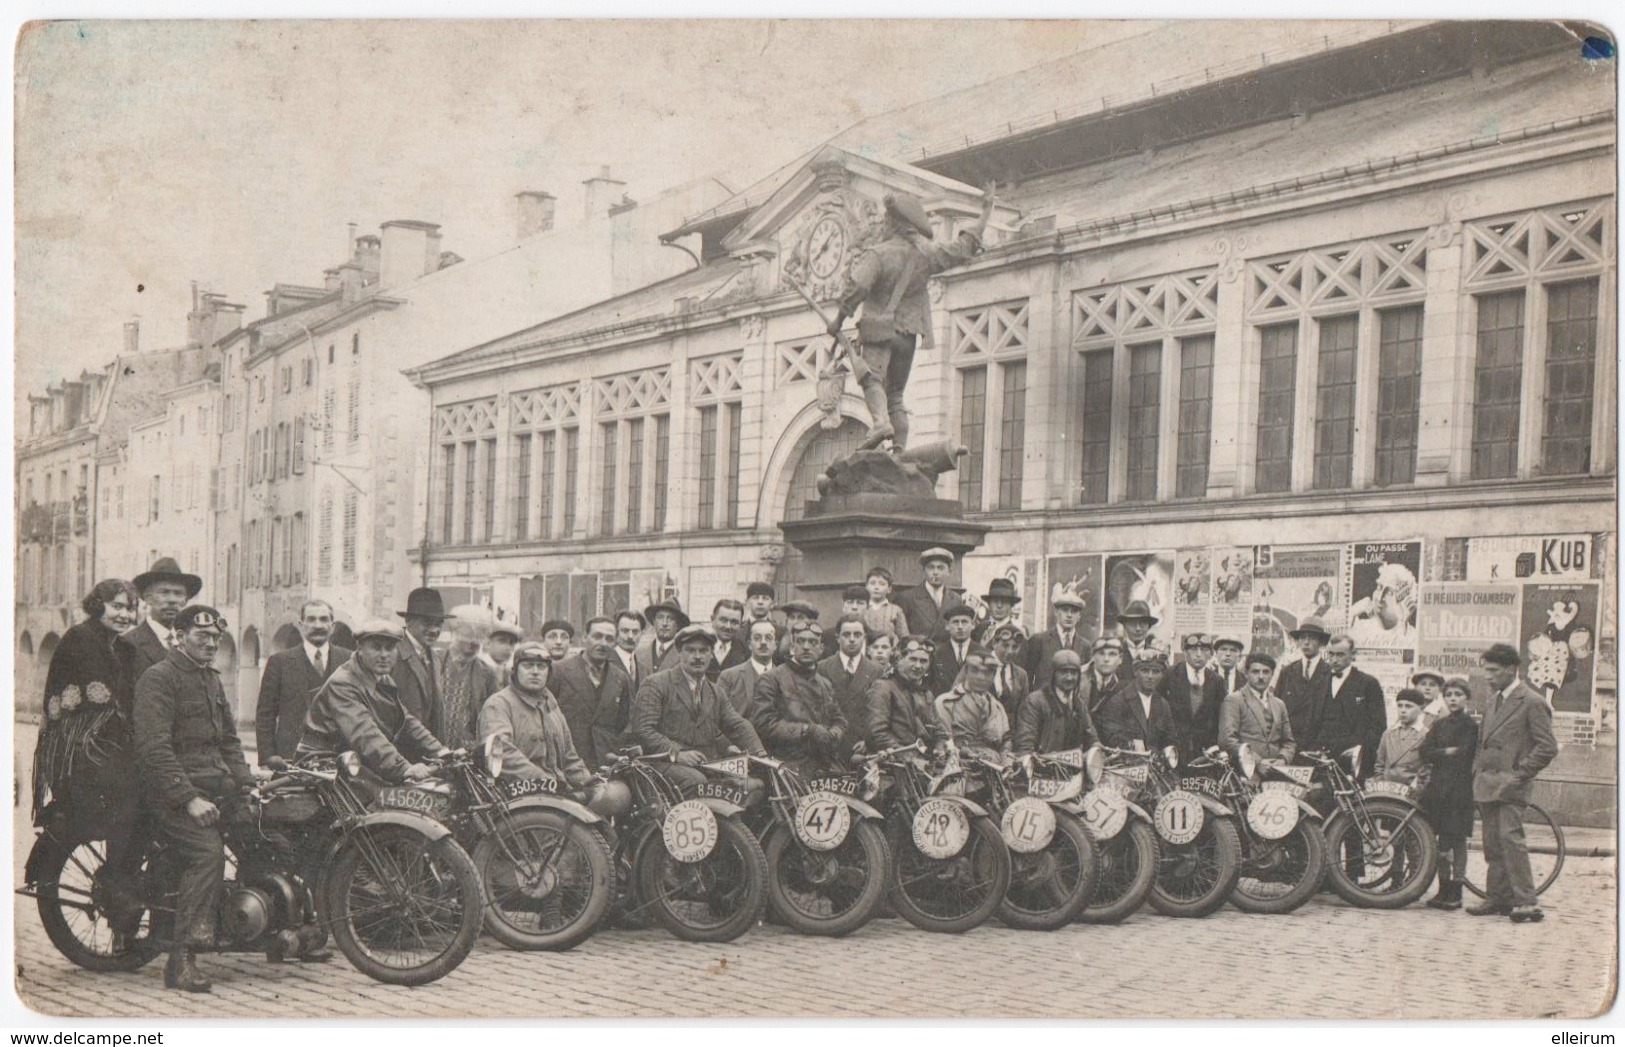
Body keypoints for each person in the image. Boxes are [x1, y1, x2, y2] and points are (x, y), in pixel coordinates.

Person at [132, 605, 254, 992]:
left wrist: (248, 785)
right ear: (179, 636)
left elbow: (230, 741)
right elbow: (154, 748)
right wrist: (188, 799)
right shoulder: (159, 679)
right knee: (207, 854)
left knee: (268, 833)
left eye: (216, 638)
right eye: (202, 637)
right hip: (170, 796)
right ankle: (182, 959)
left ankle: (263, 927)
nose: (210, 644)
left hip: (216, 788)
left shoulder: (211, 680)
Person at [825, 186, 993, 451]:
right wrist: (986, 213)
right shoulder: (927, 254)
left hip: (879, 332)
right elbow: (963, 248)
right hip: (908, 336)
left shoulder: (878, 254)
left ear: (892, 223)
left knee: (870, 379)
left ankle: (880, 423)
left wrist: (838, 320)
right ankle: (900, 452)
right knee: (896, 396)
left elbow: (857, 287)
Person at [29, 578, 145, 950]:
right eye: (117, 607)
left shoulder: (122, 647)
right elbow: (102, 705)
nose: (125, 615)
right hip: (81, 749)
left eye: (130, 608)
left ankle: (125, 882)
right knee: (135, 793)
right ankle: (117, 884)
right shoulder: (81, 639)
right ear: (98, 606)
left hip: (110, 742)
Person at [478, 642, 631, 819]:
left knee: (613, 802)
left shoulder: (550, 704)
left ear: (549, 672)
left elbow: (569, 756)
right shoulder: (499, 704)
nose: (535, 671)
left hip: (556, 795)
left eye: (541, 666)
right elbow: (501, 753)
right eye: (528, 665)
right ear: (515, 670)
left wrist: (588, 781)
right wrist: (547, 783)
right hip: (518, 798)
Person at [1469, 643, 1558, 923]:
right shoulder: (1493, 700)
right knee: (1492, 843)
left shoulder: (1532, 701)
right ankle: (1496, 897)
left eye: (1493, 671)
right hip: (1487, 784)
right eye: (1486, 670)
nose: (1488, 676)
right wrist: (1476, 772)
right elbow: (1482, 742)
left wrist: (1519, 774)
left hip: (1511, 785)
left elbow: (1547, 747)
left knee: (1511, 840)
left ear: (1510, 669)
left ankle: (1526, 901)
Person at [298, 619, 448, 783]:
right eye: (376, 647)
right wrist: (403, 768)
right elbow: (364, 734)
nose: (384, 655)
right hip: (323, 766)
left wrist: (441, 751)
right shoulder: (343, 683)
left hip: (353, 762)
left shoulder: (382, 679)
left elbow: (407, 721)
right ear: (360, 649)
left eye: (390, 648)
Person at [629, 624, 766, 795]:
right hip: (662, 764)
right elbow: (643, 729)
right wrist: (677, 754)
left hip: (702, 765)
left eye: (703, 651)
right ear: (679, 652)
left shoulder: (716, 692)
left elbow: (737, 724)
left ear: (711, 654)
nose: (698, 657)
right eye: (690, 650)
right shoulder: (657, 684)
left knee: (755, 782)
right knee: (697, 782)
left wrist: (760, 753)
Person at [255, 599, 351, 766]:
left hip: (340, 757)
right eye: (311, 619)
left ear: (332, 626)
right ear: (301, 624)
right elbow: (265, 714)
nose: (318, 625)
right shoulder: (280, 662)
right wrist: (268, 755)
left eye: (324, 619)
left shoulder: (349, 660)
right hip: (291, 757)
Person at [751, 623, 851, 777]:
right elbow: (764, 723)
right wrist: (806, 730)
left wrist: (833, 733)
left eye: (812, 643)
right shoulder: (771, 679)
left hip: (824, 763)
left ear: (821, 649)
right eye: (801, 641)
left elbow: (840, 721)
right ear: (792, 647)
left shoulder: (825, 683)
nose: (806, 647)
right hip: (787, 766)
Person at [1422, 676, 1479, 911]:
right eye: (1449, 695)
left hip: (1459, 789)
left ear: (1466, 698)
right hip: (1438, 787)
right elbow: (1424, 752)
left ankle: (1456, 891)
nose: (1453, 699)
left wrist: (1440, 752)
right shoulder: (1440, 724)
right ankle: (1442, 890)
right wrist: (1446, 751)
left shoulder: (1470, 726)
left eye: (1458, 695)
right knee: (1439, 841)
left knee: (1456, 839)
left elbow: (1465, 753)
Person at [549, 616, 635, 770]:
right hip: (567, 761)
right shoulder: (559, 671)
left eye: (609, 639)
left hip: (605, 762)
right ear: (584, 638)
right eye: (597, 637)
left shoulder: (620, 678)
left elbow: (623, 721)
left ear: (615, 643)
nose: (602, 644)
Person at [1310, 634, 1386, 779]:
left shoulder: (1368, 683)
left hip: (1354, 761)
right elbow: (1312, 722)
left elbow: (1378, 726)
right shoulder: (1319, 683)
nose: (1334, 660)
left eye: (1340, 655)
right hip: (1322, 760)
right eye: (1331, 654)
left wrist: (1360, 753)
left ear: (1353, 655)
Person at [118, 556, 202, 687]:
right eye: (164, 593)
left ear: (185, 601)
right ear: (147, 598)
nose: (172, 600)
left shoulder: (192, 645)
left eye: (178, 594)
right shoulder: (127, 644)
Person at [438, 607, 502, 750]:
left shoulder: (487, 673)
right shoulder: (435, 662)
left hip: (467, 754)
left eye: (479, 637)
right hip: (432, 749)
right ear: (456, 633)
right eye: (468, 635)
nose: (474, 642)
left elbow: (493, 716)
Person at [867, 637, 947, 751]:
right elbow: (878, 734)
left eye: (923, 661)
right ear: (899, 660)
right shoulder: (883, 688)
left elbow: (939, 731)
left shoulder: (926, 694)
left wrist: (940, 749)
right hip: (894, 761)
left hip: (925, 760)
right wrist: (908, 756)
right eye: (913, 659)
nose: (918, 666)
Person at [1097, 649, 1181, 753]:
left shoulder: (1162, 704)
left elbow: (1171, 738)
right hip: (1124, 763)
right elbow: (1112, 737)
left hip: (1155, 765)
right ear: (1136, 672)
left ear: (1162, 675)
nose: (1150, 676)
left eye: (1156, 672)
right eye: (1145, 670)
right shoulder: (1119, 701)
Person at [1218, 652, 1296, 764]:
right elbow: (1227, 741)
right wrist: (1257, 762)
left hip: (1277, 771)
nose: (1261, 677)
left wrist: (1283, 759)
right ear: (1246, 674)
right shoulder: (1235, 700)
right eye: (1255, 672)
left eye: (1266, 672)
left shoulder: (1279, 704)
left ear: (1272, 674)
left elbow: (1289, 742)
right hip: (1246, 773)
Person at [934, 648, 1010, 761]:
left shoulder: (998, 708)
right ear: (966, 671)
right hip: (958, 767)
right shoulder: (946, 703)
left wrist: (1007, 764)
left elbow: (1005, 744)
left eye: (987, 673)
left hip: (994, 769)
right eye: (974, 671)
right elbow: (943, 743)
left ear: (993, 675)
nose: (980, 677)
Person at [1014, 650, 1097, 754]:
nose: (1069, 677)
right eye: (1064, 672)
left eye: (1074, 672)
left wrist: (1096, 751)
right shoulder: (1035, 701)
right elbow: (1025, 743)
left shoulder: (1079, 705)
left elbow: (1092, 738)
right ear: (1053, 674)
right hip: (1041, 765)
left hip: (1071, 767)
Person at [1158, 631, 1227, 757]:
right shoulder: (1170, 675)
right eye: (1194, 649)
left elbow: (1219, 718)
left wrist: (1215, 747)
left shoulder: (1217, 681)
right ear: (1185, 652)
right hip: (1173, 748)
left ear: (1211, 654)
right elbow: (1158, 710)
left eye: (1204, 650)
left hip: (1204, 751)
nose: (1199, 655)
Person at [392, 587, 448, 738]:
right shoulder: (392, 653)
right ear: (408, 620)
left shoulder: (435, 659)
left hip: (430, 754)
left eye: (439, 623)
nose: (434, 630)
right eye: (427, 622)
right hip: (399, 753)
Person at [818, 614, 887, 731]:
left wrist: (868, 741)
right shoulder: (822, 668)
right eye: (846, 634)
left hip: (862, 742)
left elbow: (879, 712)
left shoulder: (876, 670)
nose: (852, 639)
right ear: (837, 638)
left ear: (864, 638)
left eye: (857, 635)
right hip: (832, 739)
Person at [1021, 587, 1092, 689]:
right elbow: (1027, 676)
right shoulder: (1039, 640)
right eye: (1065, 610)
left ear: (1079, 616)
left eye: (1074, 611)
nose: (1069, 615)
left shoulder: (1085, 646)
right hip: (1043, 702)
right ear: (1056, 612)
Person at [1275, 616, 1331, 744]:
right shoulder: (1287, 672)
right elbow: (1277, 708)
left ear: (1321, 642)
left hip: (1317, 745)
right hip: (1289, 744)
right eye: (1302, 638)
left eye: (1312, 638)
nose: (1306, 642)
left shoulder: (1330, 673)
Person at [896, 547, 965, 640]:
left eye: (940, 568)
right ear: (923, 570)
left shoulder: (956, 599)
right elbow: (900, 635)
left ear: (949, 572)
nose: (935, 572)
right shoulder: (907, 597)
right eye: (931, 567)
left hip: (947, 653)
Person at [1348, 562, 1418, 647]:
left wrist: (1402, 623)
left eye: (1389, 592)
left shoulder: (1413, 637)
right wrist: (1351, 614)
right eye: (1379, 587)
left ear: (1405, 601)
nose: (1380, 597)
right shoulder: (1360, 627)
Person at [719, 618, 780, 715]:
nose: (763, 642)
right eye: (757, 638)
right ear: (749, 644)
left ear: (775, 645)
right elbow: (719, 716)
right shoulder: (729, 677)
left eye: (768, 638)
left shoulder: (784, 678)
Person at [1374, 689, 1429, 784]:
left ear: (1421, 708)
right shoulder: (1388, 733)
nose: (1403, 710)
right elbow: (1379, 765)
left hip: (1410, 791)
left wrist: (1416, 788)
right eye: (1400, 706)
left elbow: (1426, 769)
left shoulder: (1426, 735)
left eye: (1409, 706)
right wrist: (1380, 783)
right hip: (1386, 788)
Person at [928, 604, 980, 696]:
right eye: (955, 622)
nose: (960, 627)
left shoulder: (981, 653)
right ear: (947, 626)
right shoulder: (936, 654)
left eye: (964, 622)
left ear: (973, 625)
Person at [987, 622, 1031, 723]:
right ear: (994, 643)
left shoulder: (1021, 675)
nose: (1010, 651)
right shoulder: (979, 666)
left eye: (1015, 647)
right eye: (1005, 646)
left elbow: (1023, 712)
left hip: (1010, 735)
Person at [635, 599, 689, 679]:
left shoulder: (684, 656)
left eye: (670, 618)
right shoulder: (639, 654)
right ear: (654, 622)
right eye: (660, 617)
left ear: (677, 625)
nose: (664, 623)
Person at [860, 566, 910, 642]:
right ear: (866, 586)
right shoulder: (861, 609)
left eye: (882, 584)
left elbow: (904, 636)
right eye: (872, 583)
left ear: (889, 589)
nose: (876, 587)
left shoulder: (896, 610)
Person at [1080, 636, 1124, 718]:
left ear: (1120, 659)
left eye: (1112, 654)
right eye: (1101, 653)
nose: (1106, 659)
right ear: (1093, 656)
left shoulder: (1120, 686)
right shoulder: (1078, 679)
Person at [706, 599, 749, 681]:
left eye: (734, 622)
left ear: (741, 624)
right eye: (723, 620)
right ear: (712, 619)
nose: (728, 627)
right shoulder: (700, 647)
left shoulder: (746, 652)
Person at [972, 577, 1021, 646]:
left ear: (1011, 605)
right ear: (989, 604)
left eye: (1004, 601)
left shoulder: (1016, 634)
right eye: (995, 601)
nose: (999, 605)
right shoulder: (979, 629)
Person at [1114, 600, 1162, 665]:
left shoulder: (1156, 655)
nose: (1138, 628)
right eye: (1132, 624)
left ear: (1149, 626)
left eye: (1142, 624)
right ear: (1125, 626)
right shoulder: (1115, 653)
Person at [483, 621, 524, 689]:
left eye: (511, 643)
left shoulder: (512, 672)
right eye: (502, 641)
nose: (507, 647)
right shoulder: (478, 669)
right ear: (487, 643)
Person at [612, 610, 646, 687]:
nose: (630, 636)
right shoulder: (605, 663)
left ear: (642, 633)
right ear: (616, 632)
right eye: (625, 631)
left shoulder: (644, 670)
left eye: (635, 632)